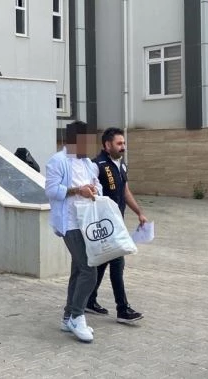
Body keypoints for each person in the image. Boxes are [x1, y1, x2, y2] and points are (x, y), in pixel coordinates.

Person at [44, 121, 102, 343]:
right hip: (70, 223)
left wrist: (94, 189)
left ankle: (68, 317)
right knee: (89, 270)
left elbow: (97, 185)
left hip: (87, 221)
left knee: (79, 270)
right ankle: (78, 316)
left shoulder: (88, 163)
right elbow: (51, 190)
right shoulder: (57, 161)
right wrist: (78, 190)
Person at [85, 127, 146, 324]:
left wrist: (139, 212)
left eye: (124, 143)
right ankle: (123, 309)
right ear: (107, 145)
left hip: (117, 222)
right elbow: (90, 194)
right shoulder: (96, 165)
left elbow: (125, 192)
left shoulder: (121, 165)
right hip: (105, 224)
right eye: (119, 143)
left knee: (104, 262)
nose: (123, 147)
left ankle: (89, 300)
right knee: (118, 263)